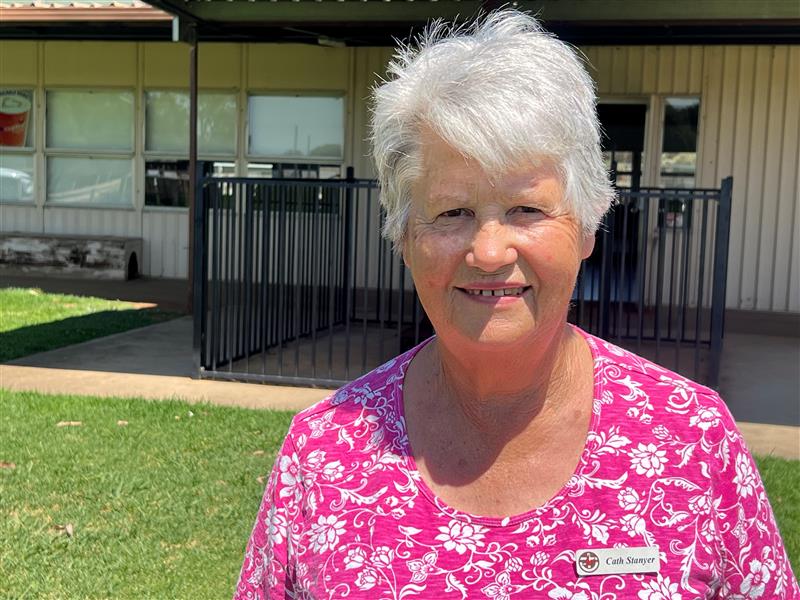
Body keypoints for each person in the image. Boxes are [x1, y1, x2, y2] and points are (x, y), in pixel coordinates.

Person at [234, 11, 798, 599]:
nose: (489, 251)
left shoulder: (692, 441)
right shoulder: (323, 456)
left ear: (587, 226)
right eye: (453, 213)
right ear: (404, 239)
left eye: (526, 210)